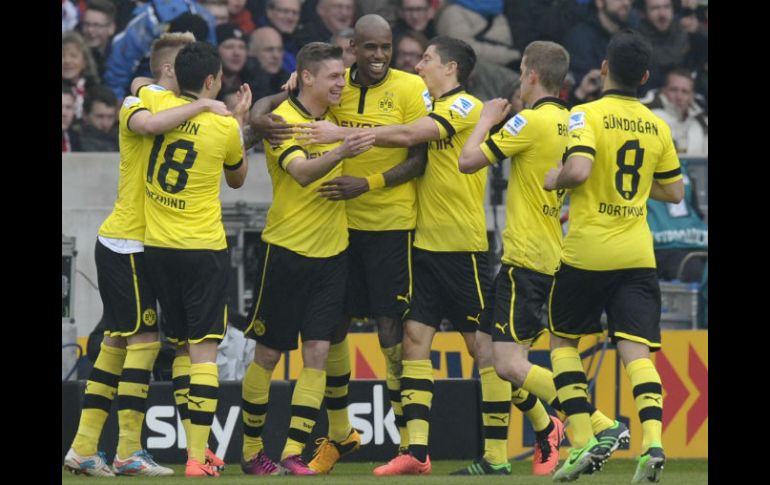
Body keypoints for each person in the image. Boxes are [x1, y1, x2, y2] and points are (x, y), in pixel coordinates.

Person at [299, 35, 562, 478]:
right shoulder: (428, 100)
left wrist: (339, 133)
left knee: (485, 353)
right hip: (423, 245)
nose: (418, 64)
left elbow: (407, 134)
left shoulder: (467, 108)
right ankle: (417, 452)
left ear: (451, 68)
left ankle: (525, 436)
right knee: (414, 341)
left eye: (426, 58)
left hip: (464, 249)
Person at [63, 33, 235, 477]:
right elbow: (144, 119)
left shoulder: (164, 104)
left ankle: (85, 448)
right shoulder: (143, 106)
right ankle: (124, 451)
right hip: (127, 240)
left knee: (121, 342)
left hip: (150, 243)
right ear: (169, 72)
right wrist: (204, 105)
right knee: (141, 341)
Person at [459, 39, 630, 478]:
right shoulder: (573, 122)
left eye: (520, 70)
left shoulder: (530, 122)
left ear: (531, 73)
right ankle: (522, 442)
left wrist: (485, 121)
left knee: (510, 363)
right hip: (548, 252)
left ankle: (599, 424)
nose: (518, 77)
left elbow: (468, 161)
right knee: (486, 347)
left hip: (527, 258)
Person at [291, 14, 431, 475]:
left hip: (391, 227)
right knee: (332, 326)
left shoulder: (410, 89)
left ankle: (410, 445)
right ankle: (340, 433)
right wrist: (290, 86)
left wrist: (367, 183)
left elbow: (418, 160)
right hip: (339, 228)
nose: (378, 56)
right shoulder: (336, 87)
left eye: (385, 48)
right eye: (369, 47)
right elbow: (289, 107)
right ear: (352, 46)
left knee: (391, 330)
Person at [542, 29, 683, 483]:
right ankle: (653, 445)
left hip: (588, 252)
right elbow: (675, 189)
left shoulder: (584, 114)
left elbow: (579, 169)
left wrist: (555, 177)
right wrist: (640, 185)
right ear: (644, 76)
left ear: (603, 69)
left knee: (563, 343)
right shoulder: (658, 124)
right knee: (636, 351)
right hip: (637, 254)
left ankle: (583, 440)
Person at [238, 42, 374, 476]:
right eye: (334, 77)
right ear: (307, 78)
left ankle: (294, 450)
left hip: (333, 255)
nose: (341, 84)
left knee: (318, 350)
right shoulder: (284, 124)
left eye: (343, 76)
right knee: (268, 356)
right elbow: (300, 173)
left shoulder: (334, 118)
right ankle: (250, 450)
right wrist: (341, 152)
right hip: (286, 252)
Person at [141, 40, 251, 478]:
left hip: (158, 248)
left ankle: (195, 449)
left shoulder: (155, 103)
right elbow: (238, 177)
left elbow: (142, 88)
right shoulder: (221, 127)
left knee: (184, 348)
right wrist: (237, 119)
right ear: (210, 81)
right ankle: (194, 458)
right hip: (202, 249)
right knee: (205, 353)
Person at [647, 158, 707, 282]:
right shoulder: (681, 167)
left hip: (660, 245)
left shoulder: (637, 166)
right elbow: (697, 212)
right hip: (698, 243)